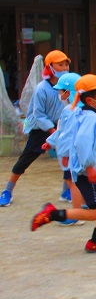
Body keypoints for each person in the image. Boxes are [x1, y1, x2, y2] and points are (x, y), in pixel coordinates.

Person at [30, 74, 96, 253]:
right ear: (89, 100)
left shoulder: (80, 113)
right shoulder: (90, 118)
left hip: (93, 170)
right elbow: (81, 142)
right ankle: (52, 214)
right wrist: (90, 166)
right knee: (95, 212)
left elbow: (69, 134)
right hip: (88, 173)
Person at [0, 50, 70, 207]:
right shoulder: (41, 89)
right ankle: (7, 191)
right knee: (25, 159)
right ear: (50, 67)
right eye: (60, 65)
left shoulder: (67, 87)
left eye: (66, 64)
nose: (65, 68)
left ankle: (66, 191)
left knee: (69, 157)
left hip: (59, 126)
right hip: (40, 128)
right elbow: (38, 114)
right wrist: (52, 130)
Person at [42, 72, 86, 226]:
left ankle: (76, 214)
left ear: (68, 92)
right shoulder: (79, 110)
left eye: (60, 91)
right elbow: (62, 132)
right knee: (79, 180)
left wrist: (65, 154)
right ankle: (84, 206)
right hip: (77, 153)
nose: (59, 94)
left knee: (72, 182)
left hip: (71, 155)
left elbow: (66, 135)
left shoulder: (70, 111)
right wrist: (50, 142)